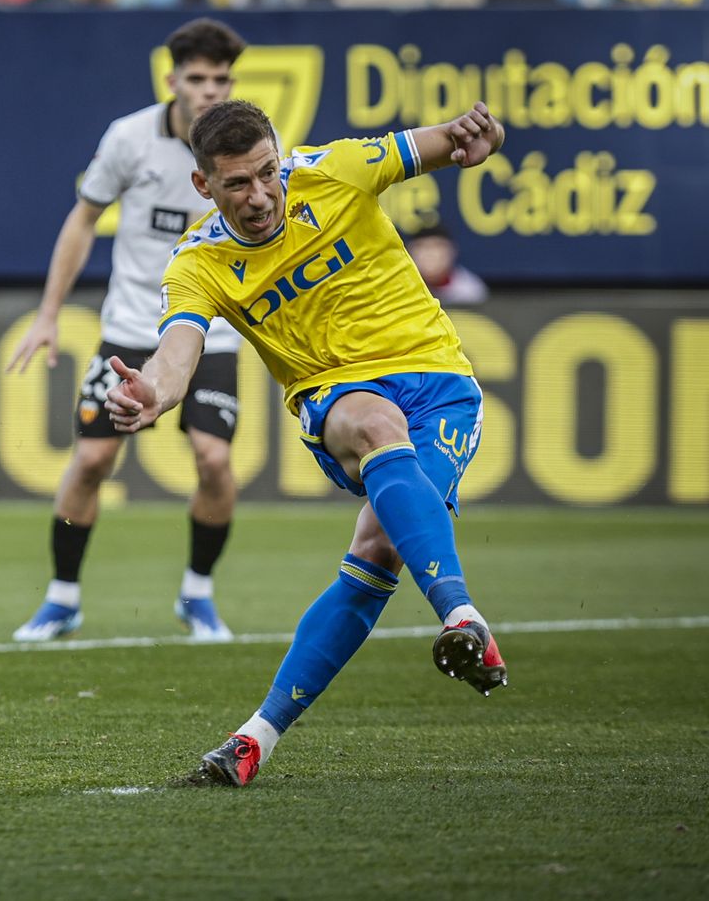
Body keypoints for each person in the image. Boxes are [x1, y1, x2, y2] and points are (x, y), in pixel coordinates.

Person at [106, 98, 510, 787]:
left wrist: (482, 137)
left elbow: (451, 141)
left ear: (281, 156)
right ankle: (464, 617)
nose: (261, 196)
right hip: (339, 396)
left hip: (442, 388)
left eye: (268, 173)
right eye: (238, 184)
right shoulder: (199, 263)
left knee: (377, 550)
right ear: (204, 186)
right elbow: (176, 354)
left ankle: (252, 740)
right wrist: (152, 392)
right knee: (376, 426)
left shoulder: (337, 169)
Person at [7, 19, 248, 644]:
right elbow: (83, 220)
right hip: (131, 329)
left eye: (220, 79)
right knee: (91, 459)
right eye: (197, 78)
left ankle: (197, 593)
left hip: (210, 333)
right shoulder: (129, 138)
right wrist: (48, 314)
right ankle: (62, 598)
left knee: (214, 459)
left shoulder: (246, 145)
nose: (209, 91)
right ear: (171, 80)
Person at [405, 223, 487, 305]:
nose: (430, 254)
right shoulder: (402, 286)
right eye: (421, 246)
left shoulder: (470, 290)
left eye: (437, 246)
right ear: (409, 252)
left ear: (452, 251)